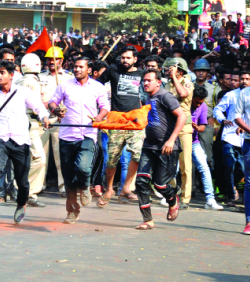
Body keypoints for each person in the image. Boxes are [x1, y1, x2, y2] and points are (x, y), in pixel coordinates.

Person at [0, 60, 50, 226]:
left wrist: (44, 117)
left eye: (2, 72)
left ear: (11, 75)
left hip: (20, 139)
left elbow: (38, 107)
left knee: (22, 179)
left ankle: (21, 204)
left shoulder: (23, 92)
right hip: (0, 137)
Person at [49, 57, 110, 224]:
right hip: (67, 135)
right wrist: (56, 111)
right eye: (75, 66)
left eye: (81, 67)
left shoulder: (98, 87)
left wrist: (99, 117)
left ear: (89, 70)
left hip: (88, 134)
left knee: (83, 168)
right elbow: (52, 102)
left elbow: (105, 106)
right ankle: (72, 210)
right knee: (68, 177)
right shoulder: (64, 85)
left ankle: (84, 187)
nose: (77, 69)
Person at [135, 70, 185, 230]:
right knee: (141, 181)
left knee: (160, 184)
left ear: (158, 82)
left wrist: (171, 140)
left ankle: (173, 200)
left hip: (167, 148)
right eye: (144, 81)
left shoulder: (165, 96)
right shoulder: (146, 98)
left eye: (149, 80)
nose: (146, 83)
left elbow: (182, 116)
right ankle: (148, 220)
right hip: (149, 146)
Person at [97, 46, 145, 207]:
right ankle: (109, 189)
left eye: (128, 58)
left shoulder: (142, 74)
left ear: (135, 59)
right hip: (116, 121)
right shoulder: (113, 69)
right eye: (123, 57)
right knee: (111, 160)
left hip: (134, 122)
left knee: (137, 155)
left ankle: (126, 187)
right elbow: (97, 85)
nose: (125, 60)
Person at [39, 46, 73, 197]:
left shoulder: (69, 78)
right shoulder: (40, 77)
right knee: (40, 156)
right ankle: (38, 186)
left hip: (61, 120)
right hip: (43, 119)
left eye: (55, 59)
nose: (51, 62)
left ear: (61, 61)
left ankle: (63, 186)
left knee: (61, 156)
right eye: (49, 59)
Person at [15, 53, 47, 207]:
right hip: (30, 123)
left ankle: (21, 188)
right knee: (39, 158)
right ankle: (27, 191)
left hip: (21, 121)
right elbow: (36, 106)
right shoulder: (33, 82)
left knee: (25, 158)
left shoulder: (20, 80)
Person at [214, 71, 249, 206]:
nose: (244, 81)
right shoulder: (231, 95)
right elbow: (217, 109)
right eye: (242, 79)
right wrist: (223, 120)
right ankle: (230, 196)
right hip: (229, 136)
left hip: (245, 137)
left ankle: (233, 187)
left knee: (241, 167)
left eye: (247, 79)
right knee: (229, 166)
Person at [163, 57, 194, 209]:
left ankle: (185, 199)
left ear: (179, 70)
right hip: (169, 127)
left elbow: (182, 94)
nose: (168, 71)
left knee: (185, 166)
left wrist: (175, 77)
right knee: (167, 164)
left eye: (171, 69)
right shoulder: (166, 85)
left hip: (184, 129)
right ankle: (174, 190)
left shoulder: (187, 82)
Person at [190, 86, 223, 210]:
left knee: (204, 167)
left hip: (194, 141)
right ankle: (168, 196)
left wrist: (197, 128)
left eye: (201, 102)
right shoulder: (184, 104)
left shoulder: (203, 106)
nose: (199, 104)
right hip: (179, 141)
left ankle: (210, 199)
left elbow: (202, 127)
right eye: (196, 102)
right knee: (174, 168)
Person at [233, 83, 250, 234]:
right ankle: (249, 222)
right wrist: (248, 129)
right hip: (249, 141)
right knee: (249, 182)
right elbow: (237, 116)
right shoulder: (245, 93)